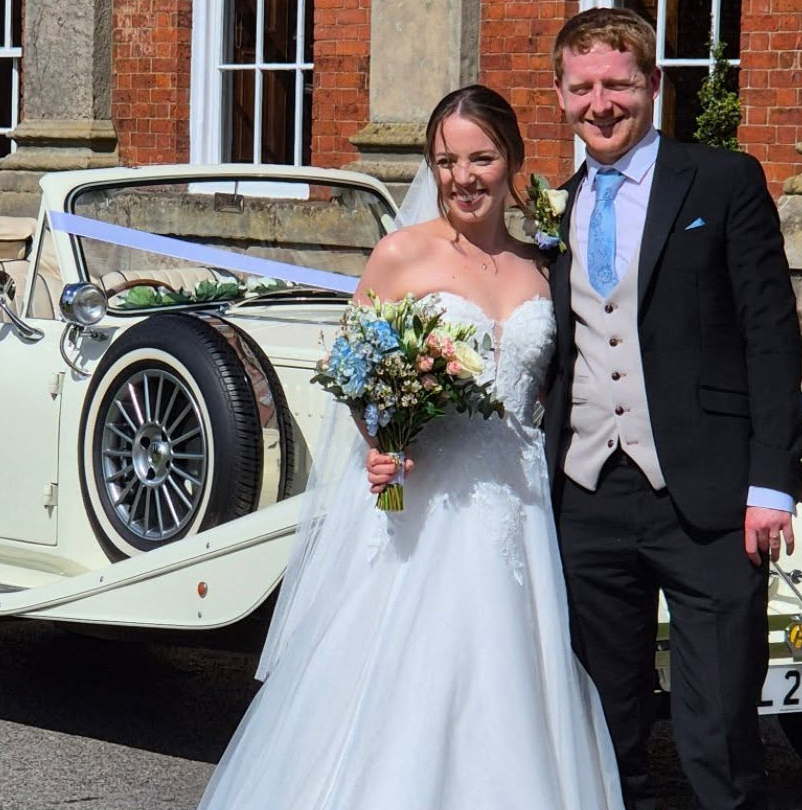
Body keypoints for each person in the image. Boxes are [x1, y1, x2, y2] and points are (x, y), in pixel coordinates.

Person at [197, 85, 623, 810]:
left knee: (513, 680)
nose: (463, 177)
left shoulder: (543, 264)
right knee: (409, 679)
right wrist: (380, 442)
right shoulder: (401, 255)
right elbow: (358, 373)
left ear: (513, 159)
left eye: (481, 158)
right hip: (424, 503)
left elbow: (552, 390)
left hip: (519, 505)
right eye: (446, 160)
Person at [541, 9, 802, 810]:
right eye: (582, 86)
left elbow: (771, 333)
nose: (601, 103)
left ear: (652, 84)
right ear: (559, 95)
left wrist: (772, 483)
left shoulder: (722, 180)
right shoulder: (551, 207)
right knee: (605, 729)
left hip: (712, 497)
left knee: (719, 727)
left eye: (618, 83)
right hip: (585, 493)